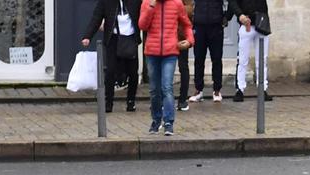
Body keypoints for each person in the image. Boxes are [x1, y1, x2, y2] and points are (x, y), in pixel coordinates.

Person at [138, 0, 193, 134]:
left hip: (170, 52)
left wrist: (190, 41)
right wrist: (151, 6)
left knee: (166, 87)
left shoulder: (176, 3)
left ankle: (168, 122)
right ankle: (156, 121)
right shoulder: (147, 2)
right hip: (152, 52)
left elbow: (187, 24)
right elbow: (142, 25)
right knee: (154, 90)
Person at [81, 0, 142, 112]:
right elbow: (96, 18)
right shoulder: (106, 2)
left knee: (133, 72)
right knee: (110, 72)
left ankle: (131, 101)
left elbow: (145, 15)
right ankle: (108, 102)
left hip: (130, 39)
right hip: (113, 39)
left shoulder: (136, 1)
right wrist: (87, 36)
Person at [187, 0, 233, 102]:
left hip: (216, 25)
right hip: (199, 25)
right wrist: (191, 17)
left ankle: (217, 89)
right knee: (198, 58)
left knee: (216, 59)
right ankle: (198, 90)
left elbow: (231, 2)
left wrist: (226, 17)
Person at [233, 0, 270, 102]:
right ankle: (240, 89)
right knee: (242, 60)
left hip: (261, 23)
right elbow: (233, 2)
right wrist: (239, 15)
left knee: (262, 59)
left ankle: (262, 88)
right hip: (246, 24)